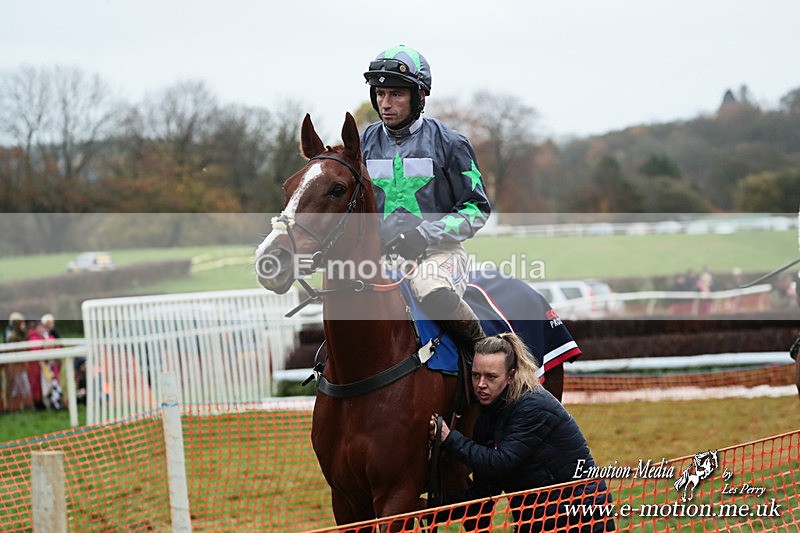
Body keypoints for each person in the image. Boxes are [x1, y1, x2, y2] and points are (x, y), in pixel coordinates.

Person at [360, 44, 492, 360]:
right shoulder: (363, 143)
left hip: (439, 253)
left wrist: (424, 234)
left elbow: (476, 210)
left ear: (419, 97)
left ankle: (485, 358)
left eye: (395, 94)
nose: (385, 103)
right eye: (379, 94)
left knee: (429, 289)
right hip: (381, 255)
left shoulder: (451, 143)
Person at [430, 333, 614, 532]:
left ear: (511, 375)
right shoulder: (488, 416)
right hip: (539, 517)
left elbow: (500, 462)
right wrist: (432, 510)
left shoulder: (532, 405)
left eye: (491, 376)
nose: (481, 384)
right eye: (476, 375)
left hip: (581, 516)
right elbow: (483, 496)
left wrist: (450, 439)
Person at [1, 312, 34, 412]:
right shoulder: (12, 337)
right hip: (15, 366)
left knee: (21, 386)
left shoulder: (22, 335)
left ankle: (22, 406)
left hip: (22, 365)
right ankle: (14, 407)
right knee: (15, 387)